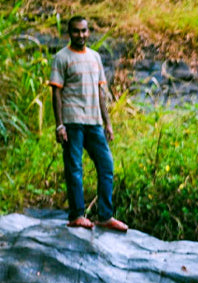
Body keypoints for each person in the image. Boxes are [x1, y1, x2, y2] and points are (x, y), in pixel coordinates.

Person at [49, 17, 127, 233]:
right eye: (76, 32)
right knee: (75, 168)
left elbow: (101, 92)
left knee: (106, 165)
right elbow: (56, 92)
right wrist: (59, 125)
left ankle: (105, 216)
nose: (80, 35)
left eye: (84, 31)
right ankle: (77, 215)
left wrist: (108, 123)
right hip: (73, 121)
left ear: (88, 32)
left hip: (94, 122)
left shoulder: (95, 57)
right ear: (69, 33)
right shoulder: (61, 58)